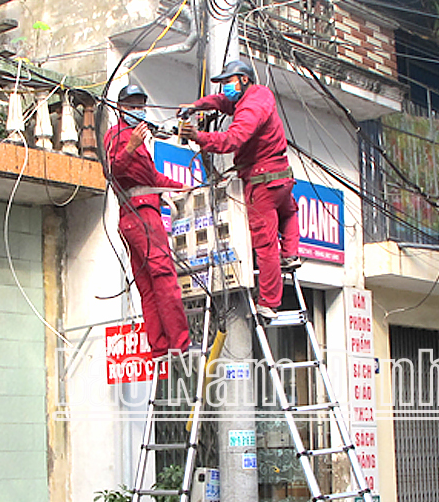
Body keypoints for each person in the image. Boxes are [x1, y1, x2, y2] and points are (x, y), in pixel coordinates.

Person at [178, 59, 301, 319]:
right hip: (282, 175)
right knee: (289, 212)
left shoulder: (249, 111)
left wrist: (198, 137)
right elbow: (225, 102)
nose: (226, 89)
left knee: (265, 245)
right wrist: (197, 105)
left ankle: (269, 303)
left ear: (244, 79)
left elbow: (232, 140)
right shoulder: (260, 94)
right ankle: (291, 254)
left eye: (229, 82)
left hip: (261, 181)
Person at [106, 84, 190, 358]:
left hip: (135, 216)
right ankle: (179, 342)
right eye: (131, 106)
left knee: (148, 284)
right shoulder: (118, 135)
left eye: (140, 105)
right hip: (141, 215)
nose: (137, 111)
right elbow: (113, 170)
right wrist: (130, 146)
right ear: (120, 108)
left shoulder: (136, 139)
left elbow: (152, 179)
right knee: (164, 277)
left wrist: (181, 187)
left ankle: (160, 345)